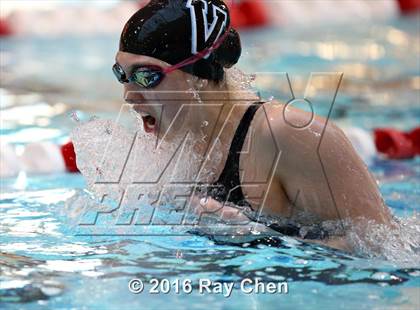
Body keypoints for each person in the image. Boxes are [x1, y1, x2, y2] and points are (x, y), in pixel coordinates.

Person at [113, 0, 394, 251]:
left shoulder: (288, 135)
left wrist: (264, 238)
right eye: (122, 75)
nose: (129, 94)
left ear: (198, 74)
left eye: (146, 76)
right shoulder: (175, 142)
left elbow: (383, 248)